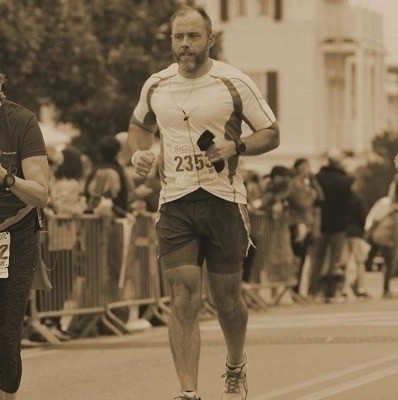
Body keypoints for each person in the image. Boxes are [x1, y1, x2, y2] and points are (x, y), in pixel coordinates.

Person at [127, 5, 280, 399]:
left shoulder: (233, 81)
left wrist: (236, 145)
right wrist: (140, 155)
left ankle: (234, 364)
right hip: (175, 201)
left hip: (223, 199)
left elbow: (271, 133)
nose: (185, 45)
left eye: (193, 36)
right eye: (179, 37)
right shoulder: (156, 84)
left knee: (228, 299)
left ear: (209, 39)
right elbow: (138, 126)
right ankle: (188, 391)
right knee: (183, 296)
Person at [0, 72, 50, 398]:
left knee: (5, 336)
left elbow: (41, 192)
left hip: (14, 234)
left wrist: (7, 179)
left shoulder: (21, 121)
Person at [308, 148, 353, 301]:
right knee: (336, 260)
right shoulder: (345, 180)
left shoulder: (318, 177)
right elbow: (349, 203)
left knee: (317, 258)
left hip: (320, 223)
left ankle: (312, 291)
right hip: (339, 224)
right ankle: (331, 292)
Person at [288, 158, 324, 296]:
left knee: (303, 257)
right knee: (297, 256)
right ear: (297, 168)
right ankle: (293, 288)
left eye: (308, 167)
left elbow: (321, 198)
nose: (306, 170)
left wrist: (314, 183)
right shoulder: (295, 184)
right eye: (303, 167)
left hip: (308, 224)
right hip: (297, 223)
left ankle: (297, 289)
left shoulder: (308, 183)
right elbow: (302, 203)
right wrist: (311, 195)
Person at [84, 135, 130, 217]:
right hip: (115, 218)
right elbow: (123, 197)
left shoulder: (94, 170)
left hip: (92, 219)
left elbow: (86, 194)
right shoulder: (119, 171)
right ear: (118, 152)